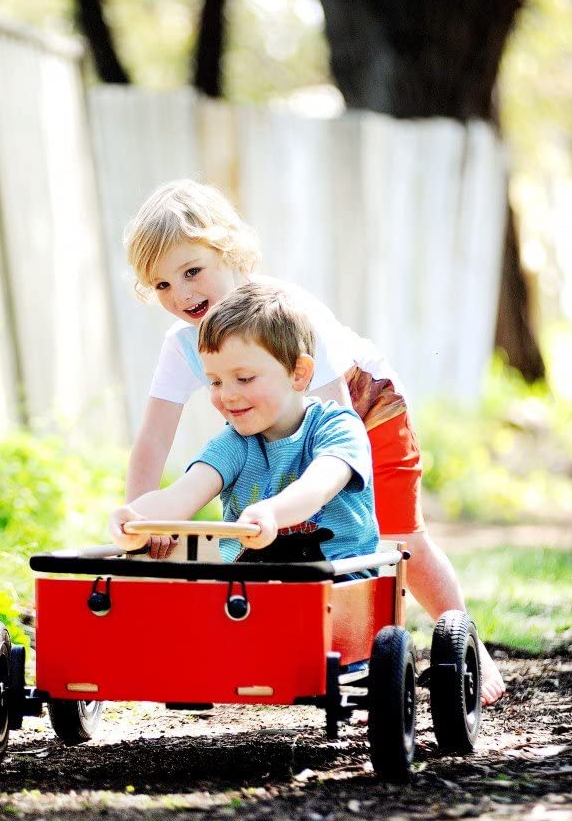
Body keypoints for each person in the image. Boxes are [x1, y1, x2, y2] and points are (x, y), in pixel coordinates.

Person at [121, 178, 505, 704]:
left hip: (362, 413)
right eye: (161, 285)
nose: (182, 294)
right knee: (281, 545)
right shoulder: (183, 344)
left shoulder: (289, 315)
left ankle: (470, 650)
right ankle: (306, 648)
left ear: (230, 251)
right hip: (270, 428)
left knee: (396, 537)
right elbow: (153, 438)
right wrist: (144, 519)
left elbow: (332, 428)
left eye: (191, 271)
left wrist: (316, 506)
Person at [110, 282, 380, 573]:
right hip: (248, 589)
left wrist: (272, 511)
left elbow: (317, 486)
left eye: (245, 378)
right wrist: (136, 519)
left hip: (334, 580)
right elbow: (181, 495)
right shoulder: (236, 443)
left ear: (298, 374)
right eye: (215, 382)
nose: (227, 395)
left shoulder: (337, 427)